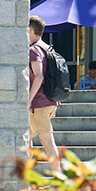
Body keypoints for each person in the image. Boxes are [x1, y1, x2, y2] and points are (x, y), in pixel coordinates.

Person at [28, 16, 62, 173]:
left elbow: (39, 75)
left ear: (31, 30)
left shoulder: (33, 50)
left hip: (38, 104)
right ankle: (25, 178)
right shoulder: (46, 48)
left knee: (47, 142)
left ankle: (60, 178)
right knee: (25, 139)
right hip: (48, 101)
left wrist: (28, 100)